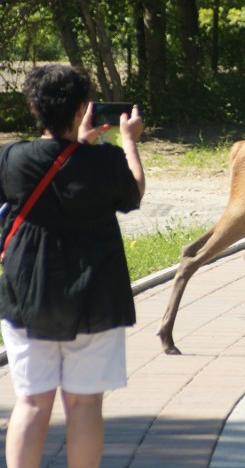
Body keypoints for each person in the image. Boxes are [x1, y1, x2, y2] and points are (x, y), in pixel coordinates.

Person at [0, 65, 145, 468]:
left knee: (30, 403)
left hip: (29, 293)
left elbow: (51, 173)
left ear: (34, 107)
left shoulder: (11, 158)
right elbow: (134, 193)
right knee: (83, 406)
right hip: (95, 296)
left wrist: (74, 144)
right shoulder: (105, 162)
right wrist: (130, 141)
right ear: (84, 108)